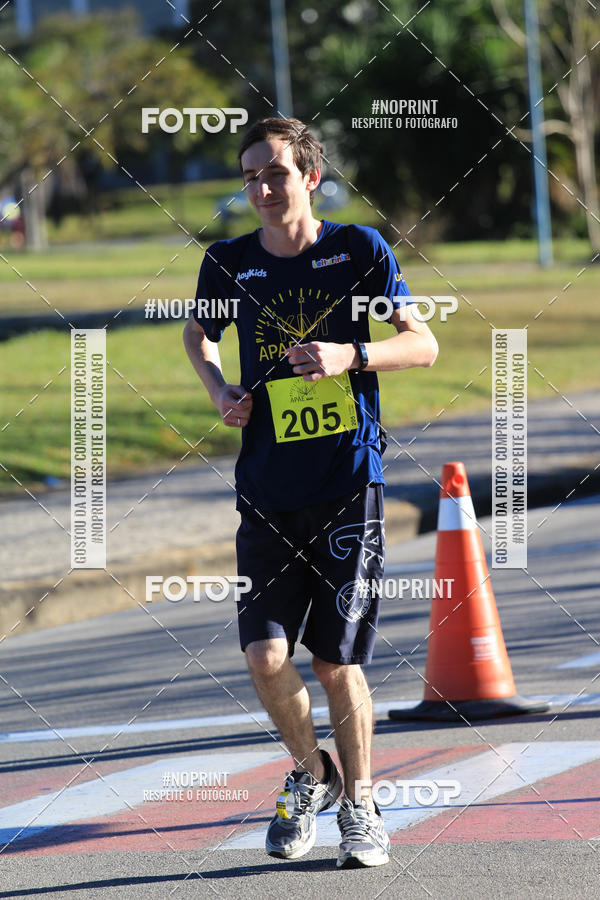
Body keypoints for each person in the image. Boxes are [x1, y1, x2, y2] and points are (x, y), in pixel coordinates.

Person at [183, 117, 438, 868]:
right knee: (266, 657)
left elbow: (422, 344)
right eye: (250, 177)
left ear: (311, 177)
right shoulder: (228, 262)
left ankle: (360, 806)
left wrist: (349, 354)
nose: (262, 189)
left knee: (334, 664)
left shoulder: (358, 249)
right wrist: (219, 390)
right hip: (266, 488)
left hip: (347, 484)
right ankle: (312, 774)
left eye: (276, 174)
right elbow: (199, 336)